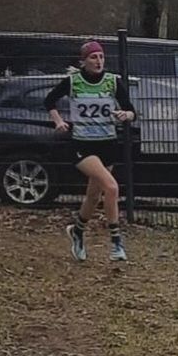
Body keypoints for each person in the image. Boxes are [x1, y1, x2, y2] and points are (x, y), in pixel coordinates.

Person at [44, 39, 137, 262]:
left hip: (107, 144)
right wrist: (58, 121)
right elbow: (49, 101)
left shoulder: (112, 82)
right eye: (93, 57)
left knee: (93, 197)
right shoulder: (73, 82)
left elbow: (131, 110)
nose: (98, 61)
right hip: (82, 145)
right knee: (111, 187)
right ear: (83, 61)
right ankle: (116, 243)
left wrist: (126, 115)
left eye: (101, 57)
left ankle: (77, 231)